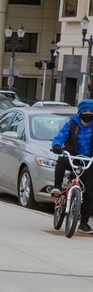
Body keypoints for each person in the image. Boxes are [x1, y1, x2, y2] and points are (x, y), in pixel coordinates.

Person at [51, 99, 93, 233]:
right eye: (85, 111)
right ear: (80, 112)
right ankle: (57, 187)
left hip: (88, 160)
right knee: (61, 159)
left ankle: (84, 222)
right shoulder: (71, 123)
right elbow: (60, 136)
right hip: (72, 156)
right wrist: (57, 145)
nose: (88, 113)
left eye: (91, 111)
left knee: (90, 193)